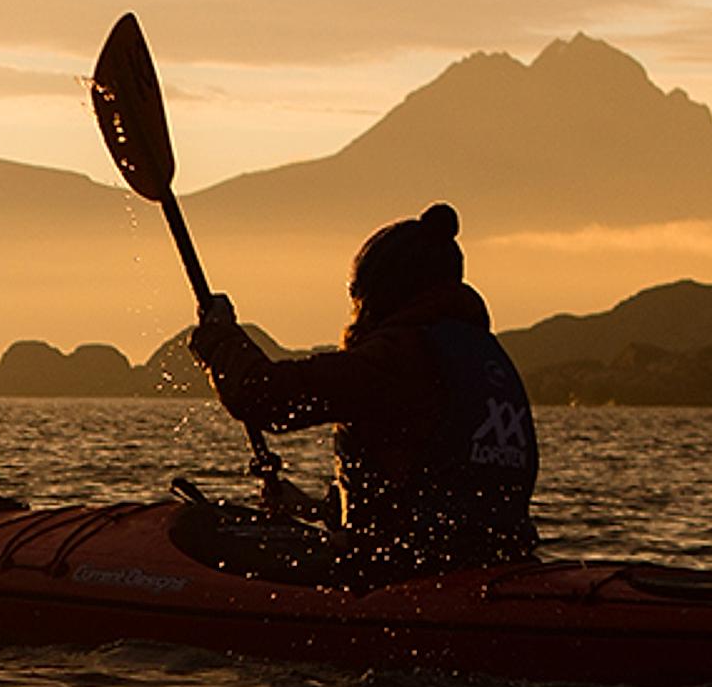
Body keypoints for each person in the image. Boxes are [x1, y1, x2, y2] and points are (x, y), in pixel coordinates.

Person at [186, 201, 540, 578]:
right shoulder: (485, 359)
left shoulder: (400, 357)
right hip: (500, 567)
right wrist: (315, 509)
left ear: (382, 291)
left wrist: (220, 336)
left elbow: (265, 396)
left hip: (407, 575)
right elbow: (435, 490)